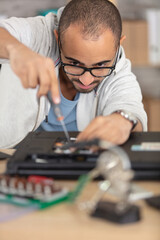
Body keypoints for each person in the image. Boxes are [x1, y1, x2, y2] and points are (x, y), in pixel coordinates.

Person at [0, 0, 147, 148]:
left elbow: (132, 110)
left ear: (118, 45)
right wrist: (17, 51)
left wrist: (123, 121)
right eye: (75, 63)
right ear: (58, 38)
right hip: (8, 155)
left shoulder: (118, 67)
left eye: (100, 65)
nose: (86, 79)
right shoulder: (40, 33)